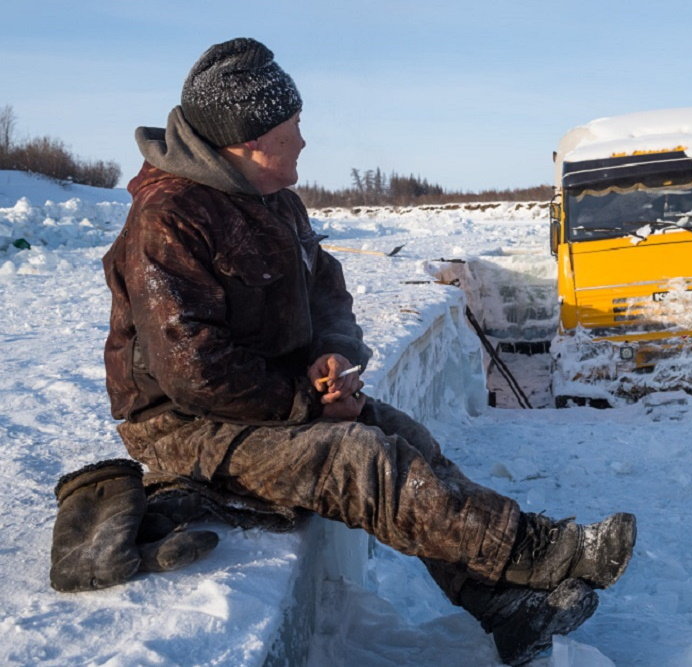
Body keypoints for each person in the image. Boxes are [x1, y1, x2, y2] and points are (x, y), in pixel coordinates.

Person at [61, 37, 638, 665]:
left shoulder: (274, 201)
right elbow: (193, 370)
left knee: (402, 434)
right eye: (294, 126)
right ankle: (534, 551)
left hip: (258, 401)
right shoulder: (168, 220)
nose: (304, 140)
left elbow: (326, 289)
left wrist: (335, 355)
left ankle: (504, 607)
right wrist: (305, 404)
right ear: (251, 140)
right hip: (183, 425)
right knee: (359, 460)